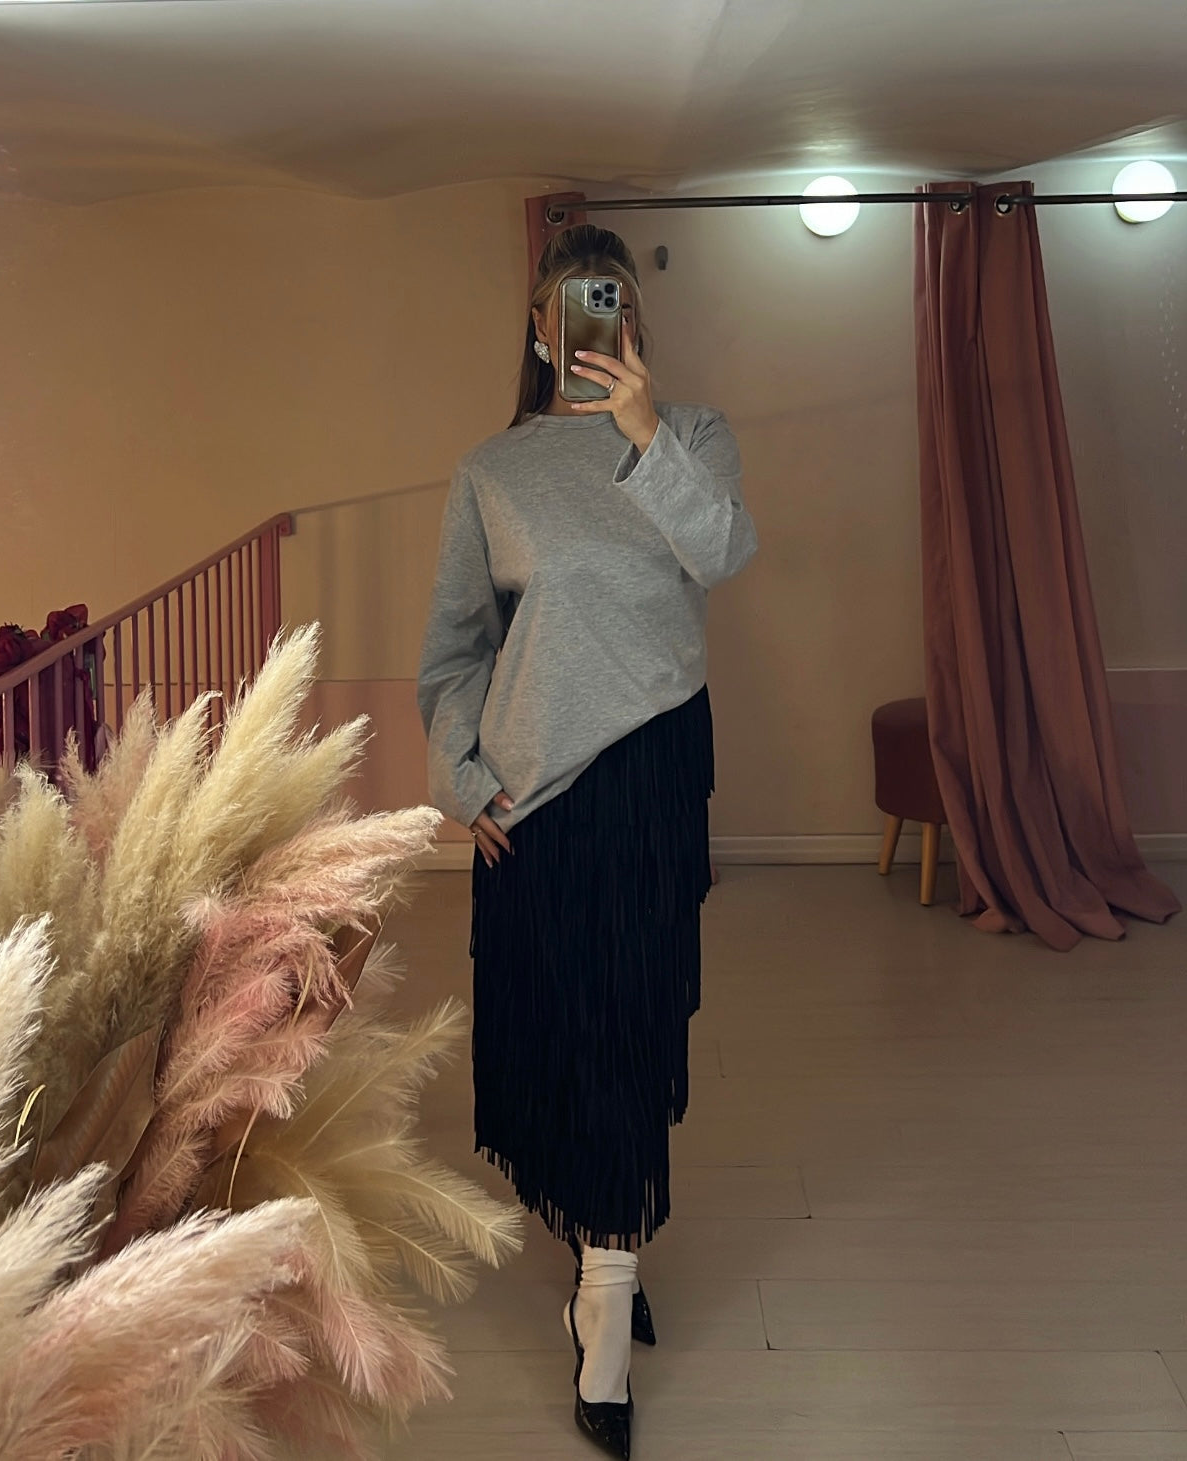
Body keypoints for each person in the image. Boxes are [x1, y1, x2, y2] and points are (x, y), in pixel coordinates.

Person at [417, 223, 757, 1458]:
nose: (589, 327)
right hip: (531, 796)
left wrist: (645, 434)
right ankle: (601, 1234)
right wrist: (462, 778)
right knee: (555, 1034)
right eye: (571, 306)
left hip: (652, 774)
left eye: (609, 305)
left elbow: (723, 552)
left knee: (633, 1020)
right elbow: (456, 648)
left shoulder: (690, 437)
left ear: (635, 327)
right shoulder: (494, 470)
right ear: (539, 328)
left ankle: (605, 1302)